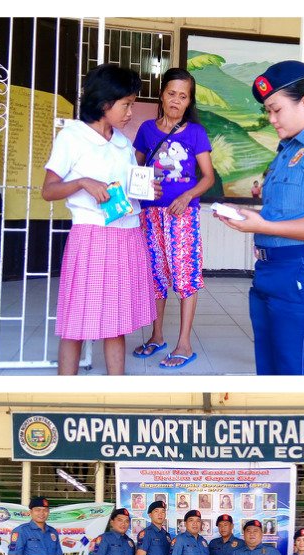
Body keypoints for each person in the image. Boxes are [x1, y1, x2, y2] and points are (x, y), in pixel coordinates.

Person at [214, 60, 304, 375]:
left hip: (301, 275)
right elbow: (285, 213)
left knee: (298, 376)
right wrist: (252, 216)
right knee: (271, 374)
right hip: (270, 272)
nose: (271, 118)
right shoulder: (285, 153)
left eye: (276, 109)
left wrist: (263, 225)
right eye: (268, 111)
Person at [41, 64, 157, 375]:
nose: (131, 111)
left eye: (132, 103)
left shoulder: (122, 143)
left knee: (116, 322)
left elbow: (129, 190)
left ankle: (115, 386)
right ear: (105, 102)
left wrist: (147, 188)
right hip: (91, 236)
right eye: (126, 103)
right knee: (76, 322)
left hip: (127, 234)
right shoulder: (72, 138)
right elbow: (48, 190)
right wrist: (82, 183)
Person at [132, 67, 215, 370]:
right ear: (162, 93)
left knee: (185, 277)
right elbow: (134, 171)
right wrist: (142, 187)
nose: (176, 100)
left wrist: (186, 196)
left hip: (182, 215)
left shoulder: (196, 133)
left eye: (183, 96)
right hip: (150, 214)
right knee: (155, 276)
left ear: (189, 100)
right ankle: (157, 337)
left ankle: (184, 343)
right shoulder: (145, 130)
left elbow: (208, 177)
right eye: (171, 93)